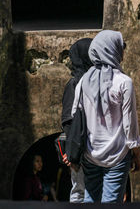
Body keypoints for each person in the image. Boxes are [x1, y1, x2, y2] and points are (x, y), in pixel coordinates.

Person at [67, 30, 140, 203]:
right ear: (111, 49)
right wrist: (135, 153)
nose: (123, 52)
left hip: (91, 153)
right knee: (111, 202)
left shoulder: (84, 81)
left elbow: (75, 115)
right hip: (117, 155)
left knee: (90, 199)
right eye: (120, 47)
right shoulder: (124, 82)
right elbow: (129, 124)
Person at [61, 38, 93, 203]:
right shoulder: (74, 84)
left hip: (91, 150)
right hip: (81, 151)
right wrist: (73, 153)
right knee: (80, 193)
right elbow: (69, 121)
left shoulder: (93, 81)